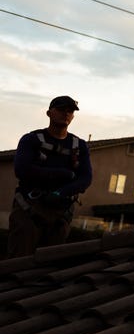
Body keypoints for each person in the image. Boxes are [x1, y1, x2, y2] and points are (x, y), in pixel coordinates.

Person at [7, 95, 92, 258]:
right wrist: (64, 174)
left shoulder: (79, 146)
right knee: (18, 263)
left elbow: (85, 179)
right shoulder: (31, 140)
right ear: (49, 113)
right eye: (61, 110)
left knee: (50, 267)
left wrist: (61, 192)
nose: (66, 114)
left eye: (70, 111)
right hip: (29, 208)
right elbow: (22, 170)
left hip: (60, 214)